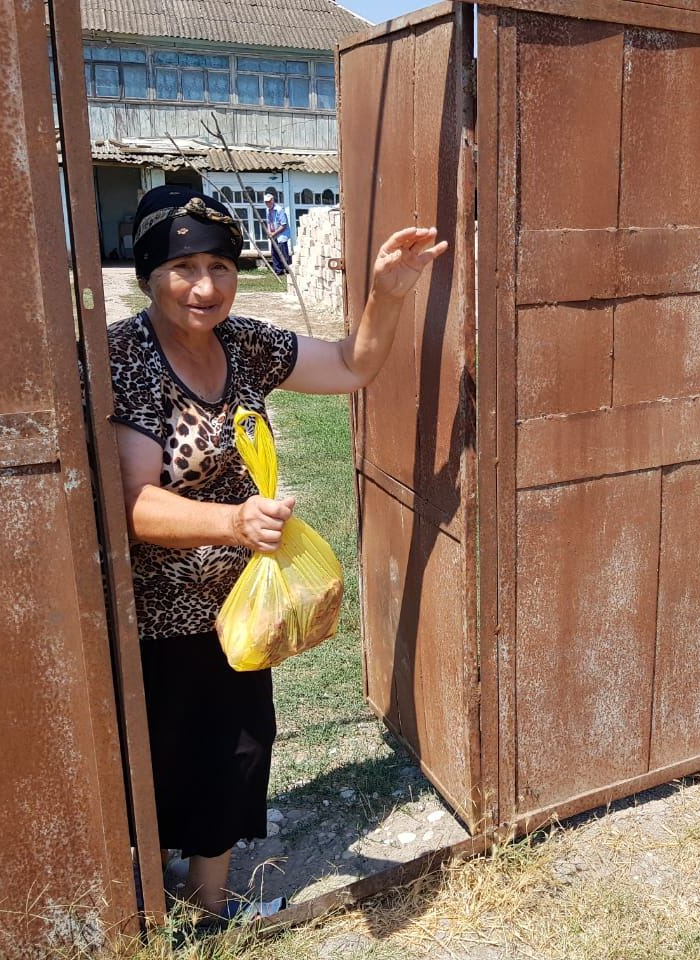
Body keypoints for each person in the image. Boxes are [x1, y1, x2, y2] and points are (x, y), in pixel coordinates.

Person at [108, 185, 446, 922]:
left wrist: (386, 296)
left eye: (221, 266)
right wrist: (233, 523)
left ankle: (210, 900)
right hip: (157, 612)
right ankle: (166, 891)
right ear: (147, 273)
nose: (206, 286)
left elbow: (352, 367)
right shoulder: (126, 355)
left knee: (237, 745)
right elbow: (134, 503)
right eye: (184, 267)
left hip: (238, 605)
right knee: (169, 751)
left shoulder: (244, 343)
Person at [263, 189, 291, 276]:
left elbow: (283, 225)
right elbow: (269, 222)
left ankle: (287, 270)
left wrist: (274, 233)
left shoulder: (279, 210)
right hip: (273, 235)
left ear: (272, 200)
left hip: (281, 235)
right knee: (274, 253)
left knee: (283, 253)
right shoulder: (268, 210)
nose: (268, 204)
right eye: (266, 202)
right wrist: (269, 232)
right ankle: (278, 271)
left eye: (269, 201)